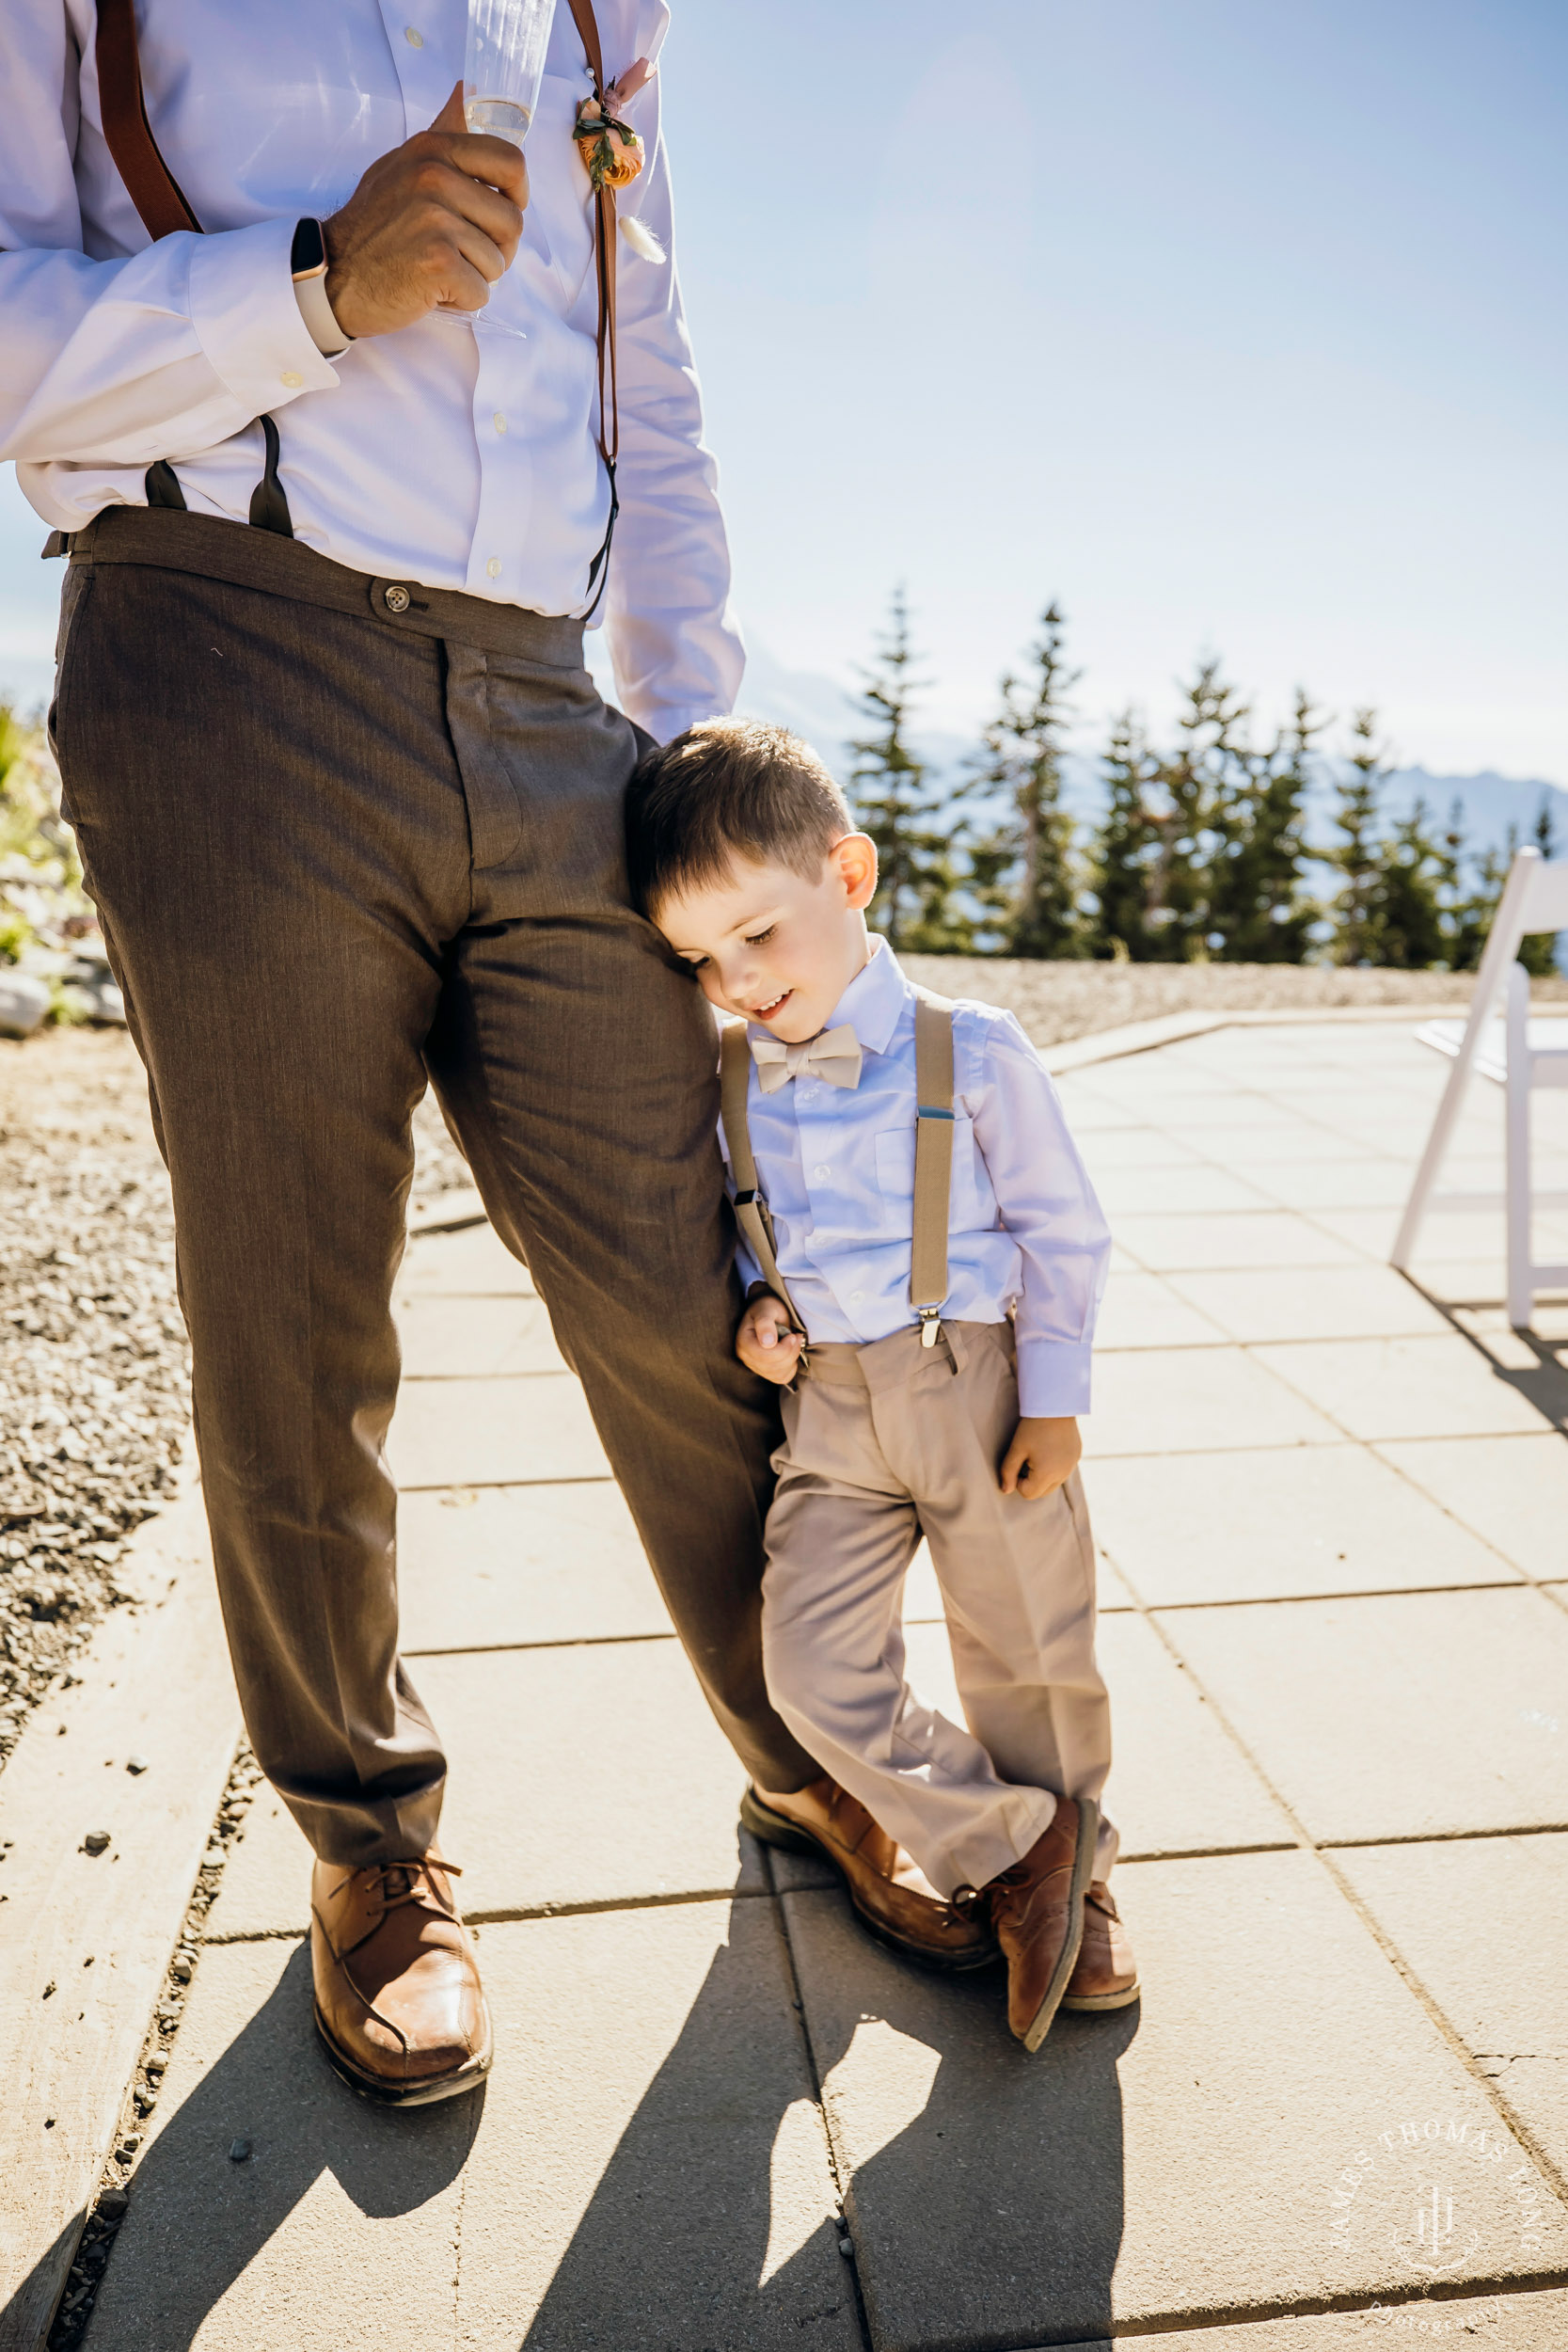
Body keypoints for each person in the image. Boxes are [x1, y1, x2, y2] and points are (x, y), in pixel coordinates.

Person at [1, 1, 981, 2107]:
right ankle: (372, 1849)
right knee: (291, 1305)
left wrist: (695, 731)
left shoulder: (589, 11)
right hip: (220, 645)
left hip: (555, 712)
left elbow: (657, 376)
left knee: (691, 1284)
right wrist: (307, 290)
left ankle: (818, 1751)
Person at [626, 719, 1140, 2048]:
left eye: (757, 936)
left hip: (973, 1384)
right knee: (807, 1669)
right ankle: (1020, 1848)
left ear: (847, 878)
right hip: (834, 1411)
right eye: (700, 960)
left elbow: (1063, 1232)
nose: (735, 981)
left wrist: (1056, 1399)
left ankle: (1084, 1880)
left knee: (1028, 1644)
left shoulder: (971, 1049)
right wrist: (760, 1316)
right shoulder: (734, 1073)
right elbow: (766, 1227)